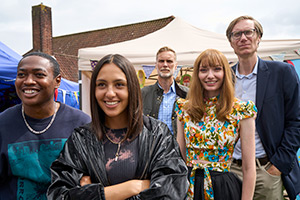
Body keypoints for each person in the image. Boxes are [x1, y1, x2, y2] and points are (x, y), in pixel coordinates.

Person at [47, 54, 189, 199]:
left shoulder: (157, 135)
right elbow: (59, 195)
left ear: (132, 88)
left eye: (119, 84)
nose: (110, 93)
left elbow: (172, 190)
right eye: (101, 84)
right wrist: (132, 187)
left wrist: (90, 194)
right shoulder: (81, 139)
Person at [226, 15, 300, 200]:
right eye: (237, 34)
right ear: (231, 42)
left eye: (248, 32)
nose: (243, 38)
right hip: (230, 169)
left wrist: (278, 165)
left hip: (266, 170)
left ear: (258, 38)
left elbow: (296, 121)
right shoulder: (224, 77)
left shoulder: (282, 72)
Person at [0, 52, 91, 199]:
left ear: (57, 81)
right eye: (21, 75)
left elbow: (90, 180)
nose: (29, 81)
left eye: (39, 75)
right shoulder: (3, 124)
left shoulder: (80, 123)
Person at [175, 49, 257, 200]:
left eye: (217, 69)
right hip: (189, 186)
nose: (210, 75)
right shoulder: (184, 108)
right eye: (204, 70)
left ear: (225, 73)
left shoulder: (241, 110)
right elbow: (179, 157)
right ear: (197, 75)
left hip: (223, 188)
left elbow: (249, 167)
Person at [142, 46, 188, 137]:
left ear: (176, 65)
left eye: (169, 61)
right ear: (156, 65)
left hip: (179, 148)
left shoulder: (188, 94)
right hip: (151, 149)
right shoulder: (143, 94)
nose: (165, 65)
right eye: (161, 61)